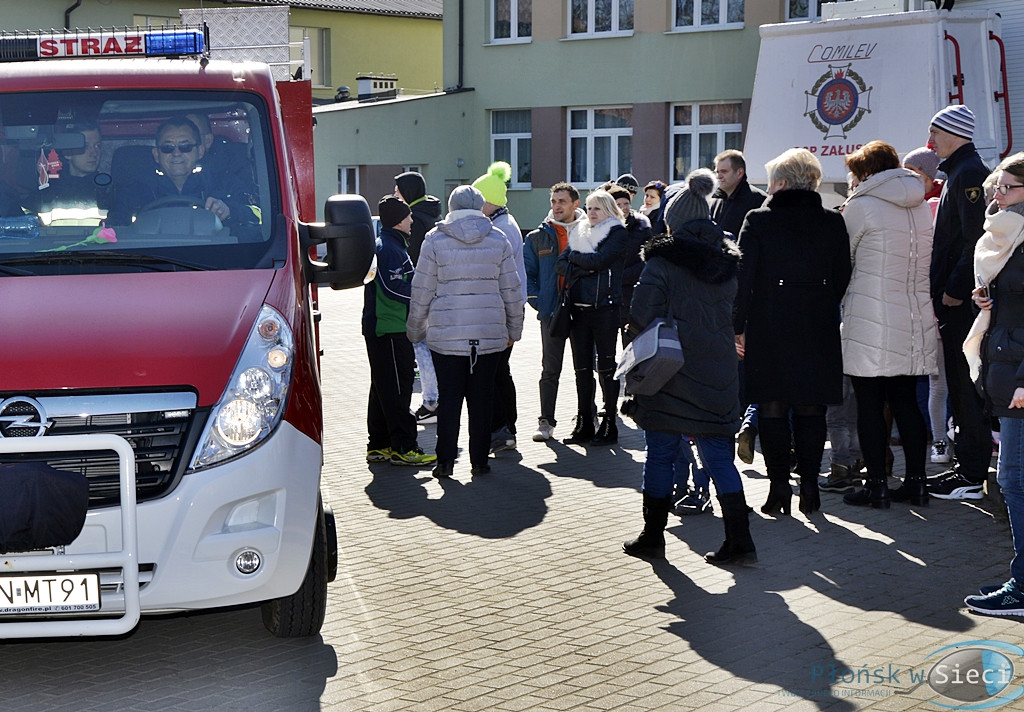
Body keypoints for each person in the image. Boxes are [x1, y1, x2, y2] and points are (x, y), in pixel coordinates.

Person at [620, 168, 755, 564]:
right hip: (718, 368)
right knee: (718, 455)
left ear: (673, 221)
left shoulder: (661, 264)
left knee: (660, 452)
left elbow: (641, 314)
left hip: (669, 369)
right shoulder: (729, 262)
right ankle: (740, 539)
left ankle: (652, 536)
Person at [733, 148, 852, 516]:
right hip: (817, 322)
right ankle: (811, 489)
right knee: (810, 407)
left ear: (781, 182)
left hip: (769, 321)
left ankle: (779, 489)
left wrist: (738, 327)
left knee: (771, 405)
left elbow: (743, 277)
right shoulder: (833, 221)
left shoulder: (758, 219)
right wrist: (820, 301)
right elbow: (843, 274)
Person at [838, 140, 937, 508]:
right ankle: (916, 483)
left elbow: (841, 257)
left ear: (865, 172)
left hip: (870, 315)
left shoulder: (862, 206)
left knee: (869, 403)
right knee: (906, 401)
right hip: (914, 313)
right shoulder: (920, 206)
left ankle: (876, 484)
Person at [406, 185, 524, 479]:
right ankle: (480, 462)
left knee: (449, 401)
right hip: (489, 335)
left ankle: (445, 462)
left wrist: (415, 330)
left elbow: (422, 290)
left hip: (446, 338)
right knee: (482, 401)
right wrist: (514, 330)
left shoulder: (434, 240)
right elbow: (511, 288)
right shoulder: (498, 239)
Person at [962, 153, 1024, 616]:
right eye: (996, 189)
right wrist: (989, 298)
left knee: (1014, 480)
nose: (997, 197)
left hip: (1019, 376)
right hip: (1007, 366)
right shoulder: (1007, 239)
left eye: (1007, 189)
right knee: (1013, 480)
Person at [926, 105, 993, 500]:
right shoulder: (957, 172)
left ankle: (971, 474)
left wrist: (953, 288)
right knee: (958, 386)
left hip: (960, 303)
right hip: (954, 301)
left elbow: (973, 241)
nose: (930, 141)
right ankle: (965, 466)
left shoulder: (968, 174)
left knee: (967, 390)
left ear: (954, 134)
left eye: (935, 133)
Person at [363, 196, 437, 467]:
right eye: (408, 216)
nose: (412, 220)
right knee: (397, 388)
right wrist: (424, 296)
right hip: (389, 329)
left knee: (382, 387)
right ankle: (404, 446)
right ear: (399, 220)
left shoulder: (392, 245)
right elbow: (394, 288)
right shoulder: (389, 249)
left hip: (386, 329)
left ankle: (379, 444)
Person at [710, 149, 769, 466]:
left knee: (745, 360)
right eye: (717, 170)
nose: (718, 175)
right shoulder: (716, 202)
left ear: (740, 173)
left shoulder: (756, 202)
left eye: (724, 170)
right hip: (719, 292)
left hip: (745, 292)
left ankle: (748, 418)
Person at [556, 189, 628, 446]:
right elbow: (561, 264)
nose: (591, 213)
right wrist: (585, 265)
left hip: (605, 308)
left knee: (606, 368)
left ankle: (610, 423)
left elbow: (600, 260)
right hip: (578, 307)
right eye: (588, 207)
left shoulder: (617, 231)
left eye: (597, 208)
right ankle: (585, 421)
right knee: (581, 369)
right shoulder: (579, 230)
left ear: (608, 209)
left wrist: (580, 262)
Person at [107, 116, 259, 231]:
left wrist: (229, 210)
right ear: (156, 154)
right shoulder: (135, 191)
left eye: (185, 147)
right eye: (168, 148)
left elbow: (259, 216)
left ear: (200, 151)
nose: (176, 153)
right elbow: (112, 231)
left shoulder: (225, 182)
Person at [524, 182, 587, 442]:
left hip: (584, 311)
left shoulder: (590, 232)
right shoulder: (537, 236)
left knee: (584, 369)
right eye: (553, 201)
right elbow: (528, 274)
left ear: (575, 204)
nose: (557, 206)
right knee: (550, 368)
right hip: (552, 312)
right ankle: (546, 421)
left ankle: (587, 416)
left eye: (562, 201)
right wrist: (538, 301)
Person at [472, 161, 526, 455]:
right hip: (505, 309)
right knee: (499, 371)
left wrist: (509, 322)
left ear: (490, 201)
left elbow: (505, 278)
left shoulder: (501, 229)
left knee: (493, 373)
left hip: (503, 311)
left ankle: (502, 429)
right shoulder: (502, 223)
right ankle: (507, 429)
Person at [904, 147, 951, 465]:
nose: (907, 180)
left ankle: (949, 438)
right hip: (921, 308)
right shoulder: (909, 207)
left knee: (947, 382)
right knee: (936, 382)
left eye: (913, 174)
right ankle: (939, 440)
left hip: (943, 306)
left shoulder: (937, 206)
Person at [394, 171, 443, 424]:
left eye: (398, 190)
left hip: (423, 294)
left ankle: (432, 402)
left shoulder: (417, 220)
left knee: (422, 347)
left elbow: (413, 264)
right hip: (436, 292)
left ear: (409, 192)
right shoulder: (430, 213)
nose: (395, 194)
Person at [609, 184, 652, 345]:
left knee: (631, 341)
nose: (623, 208)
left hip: (633, 292)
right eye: (618, 204)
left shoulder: (642, 225)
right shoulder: (603, 226)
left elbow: (647, 259)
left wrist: (621, 277)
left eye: (626, 203)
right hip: (609, 294)